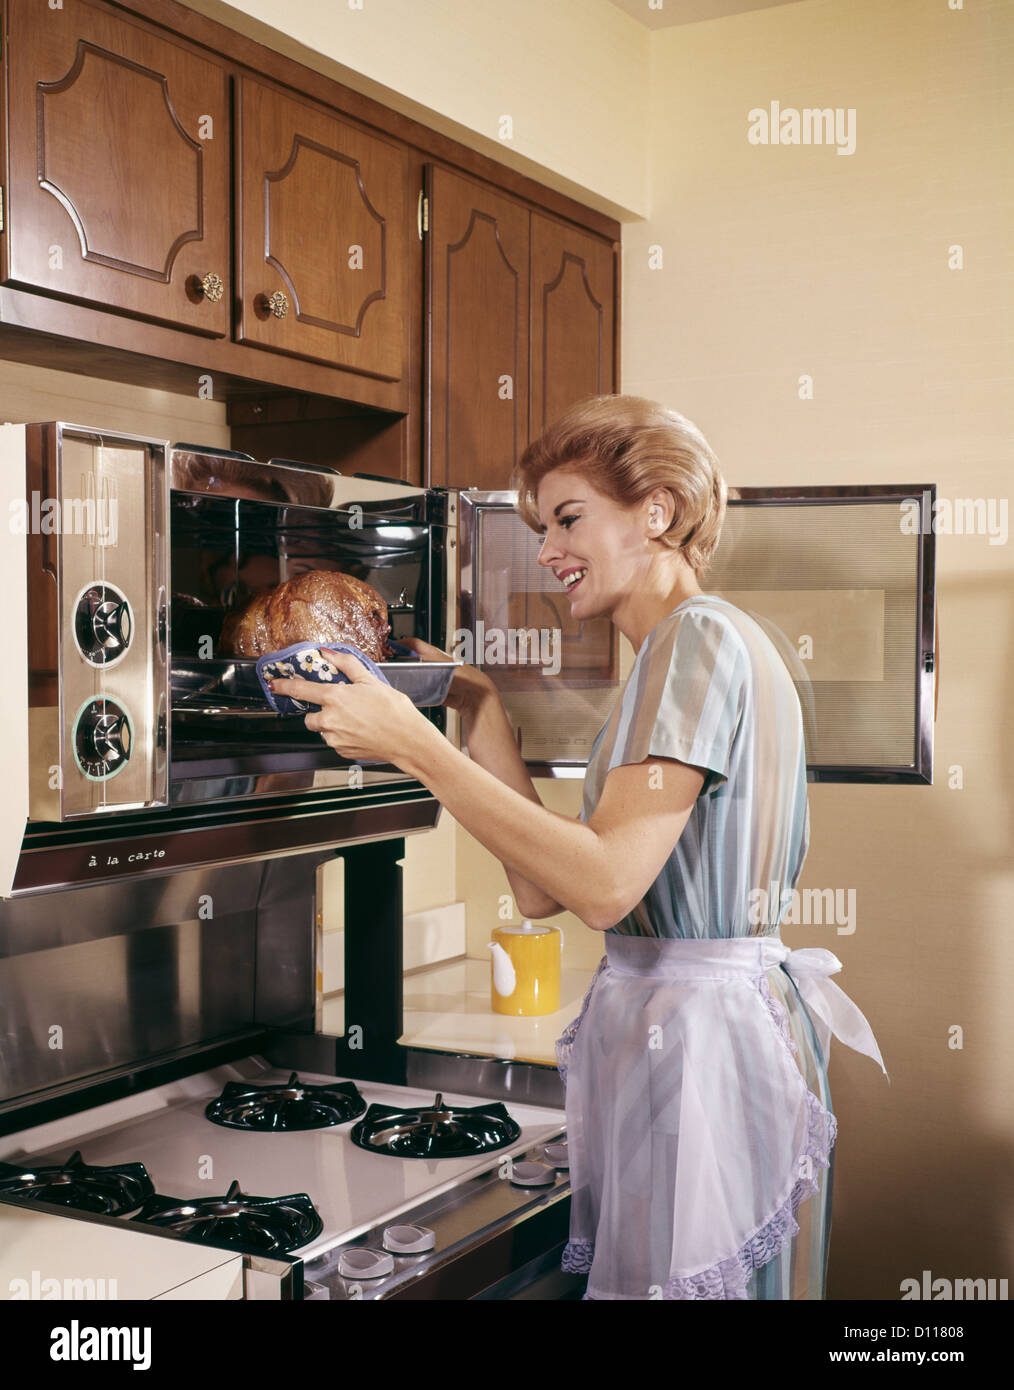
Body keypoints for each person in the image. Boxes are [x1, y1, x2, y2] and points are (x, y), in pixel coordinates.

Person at [267, 393, 888, 1301]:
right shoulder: (674, 655)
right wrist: (473, 712)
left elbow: (602, 887)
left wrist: (413, 745)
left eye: (569, 519)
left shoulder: (699, 639)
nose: (548, 550)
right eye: (538, 526)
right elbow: (542, 891)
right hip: (681, 1029)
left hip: (704, 1047)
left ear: (658, 511)